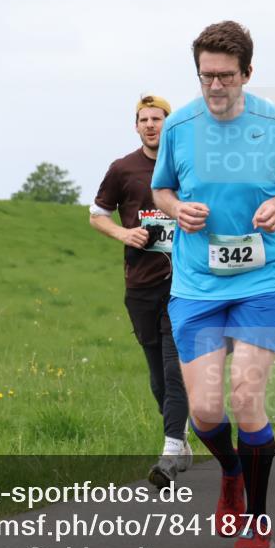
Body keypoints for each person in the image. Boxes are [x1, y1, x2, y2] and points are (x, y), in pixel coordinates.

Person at [151, 21, 275, 548]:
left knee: (246, 399)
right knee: (204, 412)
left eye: (226, 76)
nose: (215, 87)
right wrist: (178, 210)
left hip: (262, 280)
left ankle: (258, 520)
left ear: (247, 72)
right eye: (206, 77)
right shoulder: (179, 124)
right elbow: (162, 188)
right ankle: (229, 472)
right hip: (197, 285)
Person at [90, 94, 192, 489]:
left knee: (173, 366)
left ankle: (168, 453)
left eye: (158, 119)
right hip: (140, 283)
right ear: (136, 126)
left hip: (183, 283)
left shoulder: (185, 164)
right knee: (157, 375)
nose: (151, 125)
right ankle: (180, 439)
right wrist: (123, 232)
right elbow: (97, 214)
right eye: (144, 119)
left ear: (169, 125)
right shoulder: (123, 168)